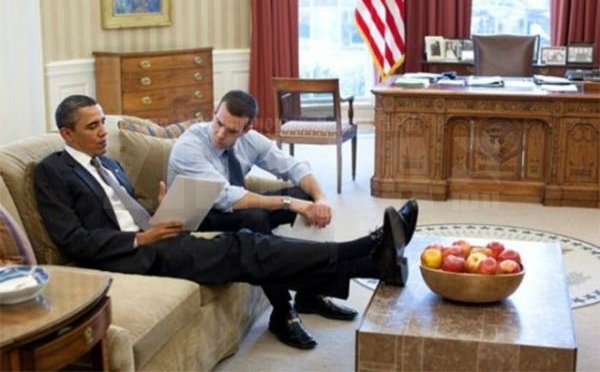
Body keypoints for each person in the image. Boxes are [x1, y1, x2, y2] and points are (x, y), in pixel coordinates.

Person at [34, 95, 418, 350]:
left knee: (253, 245)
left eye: (103, 122)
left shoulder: (109, 164)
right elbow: (74, 240)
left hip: (159, 238)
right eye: (92, 126)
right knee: (246, 243)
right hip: (128, 257)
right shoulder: (53, 171)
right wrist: (142, 239)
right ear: (66, 133)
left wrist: (160, 212)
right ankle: (365, 251)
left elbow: (128, 210)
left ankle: (371, 263)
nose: (103, 131)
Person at [167, 90, 418, 322]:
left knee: (304, 195)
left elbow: (293, 167)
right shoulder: (189, 146)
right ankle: (283, 309)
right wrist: (289, 203)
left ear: (246, 129)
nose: (221, 134)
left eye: (231, 130)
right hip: (197, 219)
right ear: (214, 113)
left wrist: (320, 198)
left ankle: (311, 295)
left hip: (232, 209)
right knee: (255, 219)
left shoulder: (250, 141)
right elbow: (227, 197)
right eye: (218, 123)